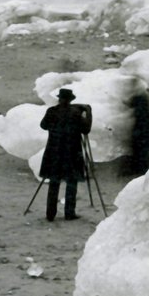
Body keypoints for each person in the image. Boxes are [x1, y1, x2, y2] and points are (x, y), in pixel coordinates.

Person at [39, 89, 92, 221]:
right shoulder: (75, 113)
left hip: (54, 151)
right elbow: (86, 129)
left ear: (59, 99)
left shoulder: (51, 111)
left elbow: (43, 126)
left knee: (54, 182)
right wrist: (88, 113)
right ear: (70, 100)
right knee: (71, 182)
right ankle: (69, 213)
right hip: (72, 152)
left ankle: (50, 214)